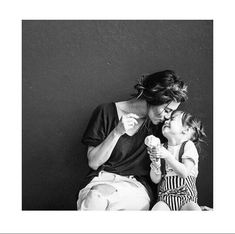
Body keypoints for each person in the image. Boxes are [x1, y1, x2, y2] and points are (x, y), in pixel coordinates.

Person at [77, 70, 188, 210]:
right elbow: (94, 162)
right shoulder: (105, 112)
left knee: (103, 199)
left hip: (134, 187)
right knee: (95, 197)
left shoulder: (161, 127)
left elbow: (185, 147)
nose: (167, 117)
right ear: (154, 97)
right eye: (167, 110)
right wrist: (116, 132)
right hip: (99, 181)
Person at [148, 110, 206, 211]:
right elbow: (155, 180)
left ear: (186, 130)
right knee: (157, 210)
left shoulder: (188, 146)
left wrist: (167, 155)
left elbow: (184, 173)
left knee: (194, 210)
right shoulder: (161, 147)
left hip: (187, 198)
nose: (166, 120)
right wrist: (155, 164)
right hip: (165, 198)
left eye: (172, 119)